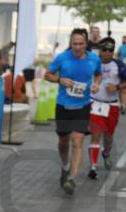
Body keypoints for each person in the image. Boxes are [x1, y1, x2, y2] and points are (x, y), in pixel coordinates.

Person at [44, 28, 102, 195]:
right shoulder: (62, 58)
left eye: (80, 44)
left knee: (77, 141)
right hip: (63, 106)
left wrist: (96, 84)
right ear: (70, 43)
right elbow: (47, 74)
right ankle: (65, 166)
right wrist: (59, 79)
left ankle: (72, 178)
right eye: (74, 44)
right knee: (63, 142)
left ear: (86, 44)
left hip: (82, 107)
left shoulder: (94, 59)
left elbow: (98, 74)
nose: (77, 47)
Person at [87, 37, 126, 179]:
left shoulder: (119, 65)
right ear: (100, 51)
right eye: (105, 50)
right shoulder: (92, 62)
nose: (107, 53)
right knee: (95, 135)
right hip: (95, 104)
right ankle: (93, 167)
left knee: (108, 137)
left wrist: (117, 87)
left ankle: (106, 153)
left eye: (110, 50)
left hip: (111, 106)